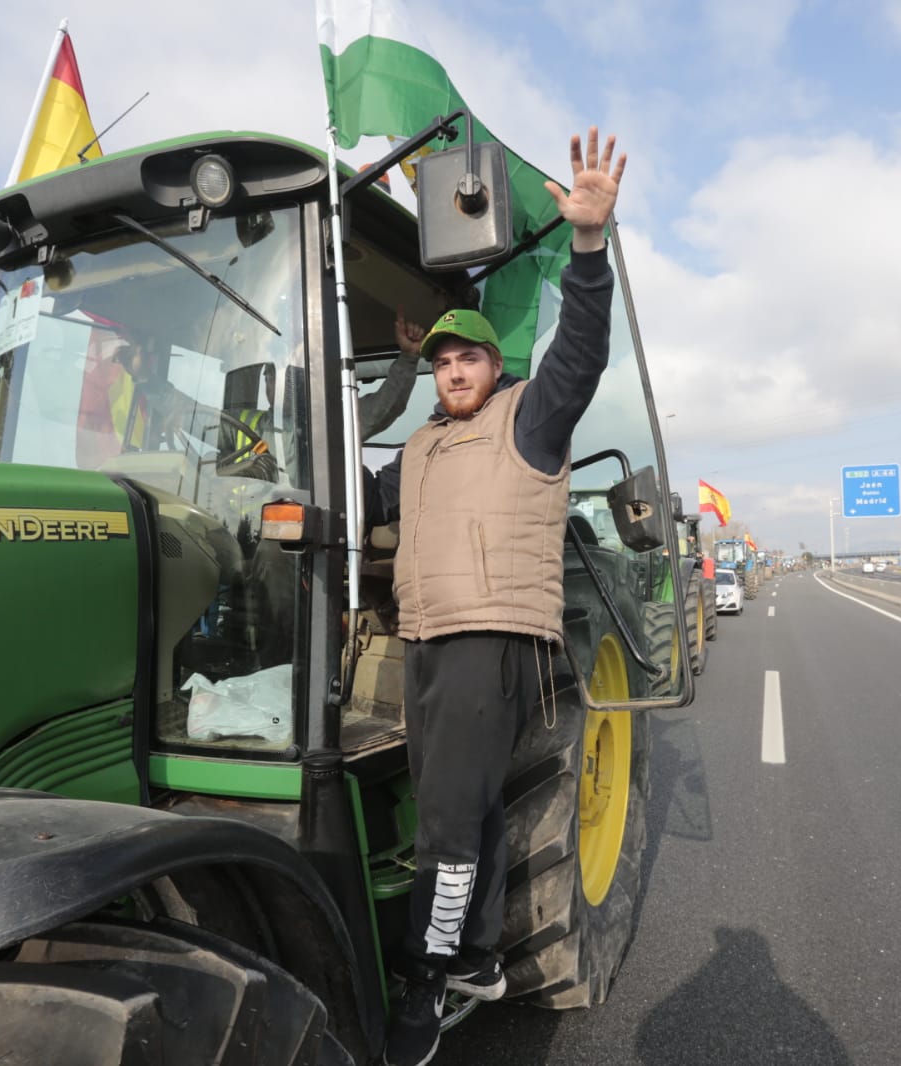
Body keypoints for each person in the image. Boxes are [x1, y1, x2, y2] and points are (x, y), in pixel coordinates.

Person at [365, 126, 626, 1066]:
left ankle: (428, 976)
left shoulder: (529, 418)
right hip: (428, 640)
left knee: (446, 818)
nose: (454, 372)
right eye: (441, 363)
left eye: (466, 359)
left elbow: (581, 353)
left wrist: (587, 242)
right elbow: (360, 501)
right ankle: (477, 958)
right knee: (464, 809)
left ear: (493, 366)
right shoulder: (419, 446)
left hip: (493, 639)